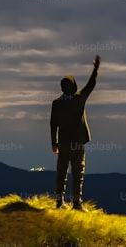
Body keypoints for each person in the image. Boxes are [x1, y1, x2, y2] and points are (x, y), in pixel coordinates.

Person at [50, 54, 100, 210]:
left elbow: (53, 124)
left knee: (61, 173)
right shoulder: (79, 98)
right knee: (78, 173)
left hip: (63, 143)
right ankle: (77, 203)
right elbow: (91, 84)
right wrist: (96, 68)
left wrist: (54, 143)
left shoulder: (57, 103)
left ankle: (59, 202)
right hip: (77, 143)